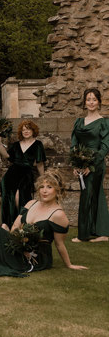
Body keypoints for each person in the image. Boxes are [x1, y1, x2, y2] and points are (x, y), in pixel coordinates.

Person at [71, 88, 109, 242]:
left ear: (99, 102)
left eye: (94, 99)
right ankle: (102, 232)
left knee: (88, 194)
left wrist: (90, 165)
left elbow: (105, 147)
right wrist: (76, 164)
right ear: (84, 102)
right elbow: (74, 144)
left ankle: (84, 235)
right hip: (81, 163)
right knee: (93, 194)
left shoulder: (104, 122)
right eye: (88, 99)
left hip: (96, 163)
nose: (91, 102)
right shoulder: (79, 122)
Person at [0, 120, 46, 228]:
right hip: (11, 175)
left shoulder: (38, 145)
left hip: (26, 174)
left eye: (28, 129)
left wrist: (43, 179)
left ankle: (20, 224)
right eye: (23, 130)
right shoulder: (16, 144)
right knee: (7, 198)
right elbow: (7, 156)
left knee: (20, 198)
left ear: (33, 130)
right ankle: (6, 224)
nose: (26, 131)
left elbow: (40, 164)